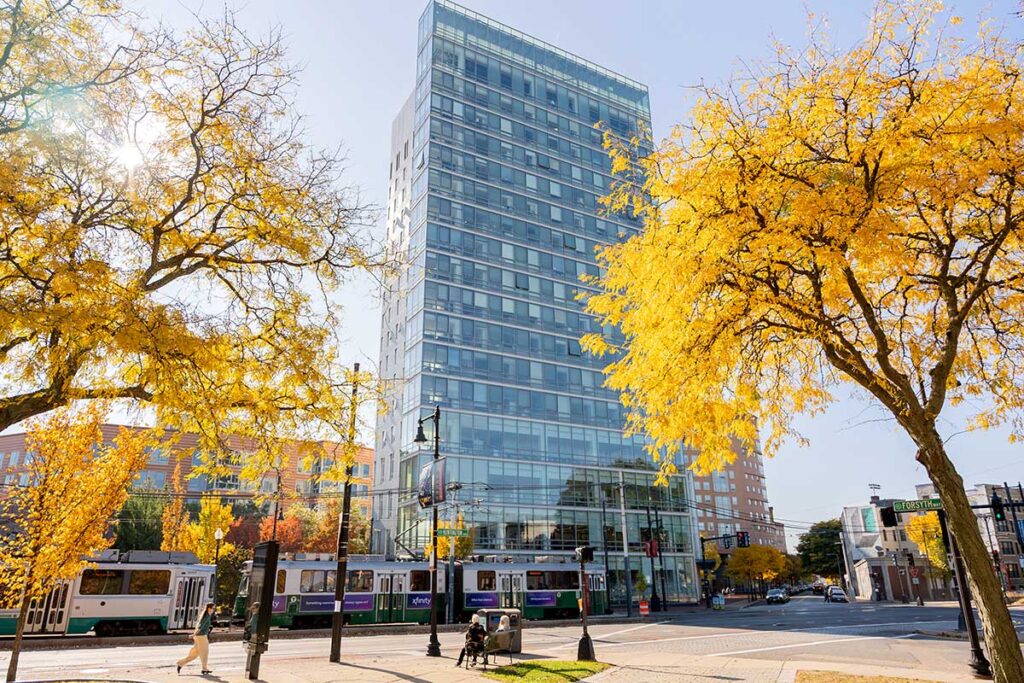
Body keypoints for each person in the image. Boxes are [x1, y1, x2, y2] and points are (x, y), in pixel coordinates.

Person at [177, 602, 215, 675]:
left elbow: (202, 625)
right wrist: (193, 634)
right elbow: (200, 627)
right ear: (209, 608)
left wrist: (208, 627)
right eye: (213, 608)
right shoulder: (207, 615)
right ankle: (204, 669)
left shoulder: (206, 615)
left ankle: (180, 663)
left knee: (194, 654)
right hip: (201, 637)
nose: (213, 610)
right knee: (204, 653)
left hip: (199, 636)